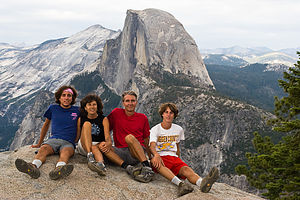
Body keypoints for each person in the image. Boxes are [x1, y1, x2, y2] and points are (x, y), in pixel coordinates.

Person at [149, 102, 220, 196]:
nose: (168, 115)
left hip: (173, 157)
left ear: (174, 115)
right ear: (162, 114)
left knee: (186, 169)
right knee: (159, 165)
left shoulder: (178, 129)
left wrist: (179, 160)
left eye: (171, 113)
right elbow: (152, 145)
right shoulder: (155, 129)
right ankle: (181, 184)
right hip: (161, 156)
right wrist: (156, 155)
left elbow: (177, 146)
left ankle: (202, 183)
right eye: (166, 112)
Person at [15, 85, 80, 180]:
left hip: (68, 142)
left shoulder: (77, 110)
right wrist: (39, 143)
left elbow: (79, 127)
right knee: (43, 149)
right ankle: (33, 167)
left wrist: (75, 141)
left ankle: (58, 170)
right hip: (53, 140)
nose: (66, 98)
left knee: (65, 152)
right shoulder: (53, 108)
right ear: (59, 97)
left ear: (72, 98)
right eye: (64, 95)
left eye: (69, 95)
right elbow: (46, 125)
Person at [107, 90, 154, 183]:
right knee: (101, 146)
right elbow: (106, 127)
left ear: (136, 102)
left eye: (133, 101)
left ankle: (147, 168)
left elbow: (146, 139)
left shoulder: (142, 118)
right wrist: (107, 142)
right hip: (120, 152)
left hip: (136, 153)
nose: (130, 103)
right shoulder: (116, 113)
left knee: (130, 138)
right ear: (123, 103)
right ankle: (128, 168)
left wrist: (150, 157)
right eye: (127, 101)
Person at [76, 94, 109, 176]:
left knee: (94, 147)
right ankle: (90, 155)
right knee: (87, 124)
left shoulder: (103, 119)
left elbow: (107, 137)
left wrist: (107, 143)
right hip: (84, 146)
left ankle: (100, 166)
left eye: (94, 104)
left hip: (97, 146)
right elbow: (77, 136)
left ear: (97, 106)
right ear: (85, 107)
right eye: (89, 105)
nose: (92, 107)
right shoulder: (81, 119)